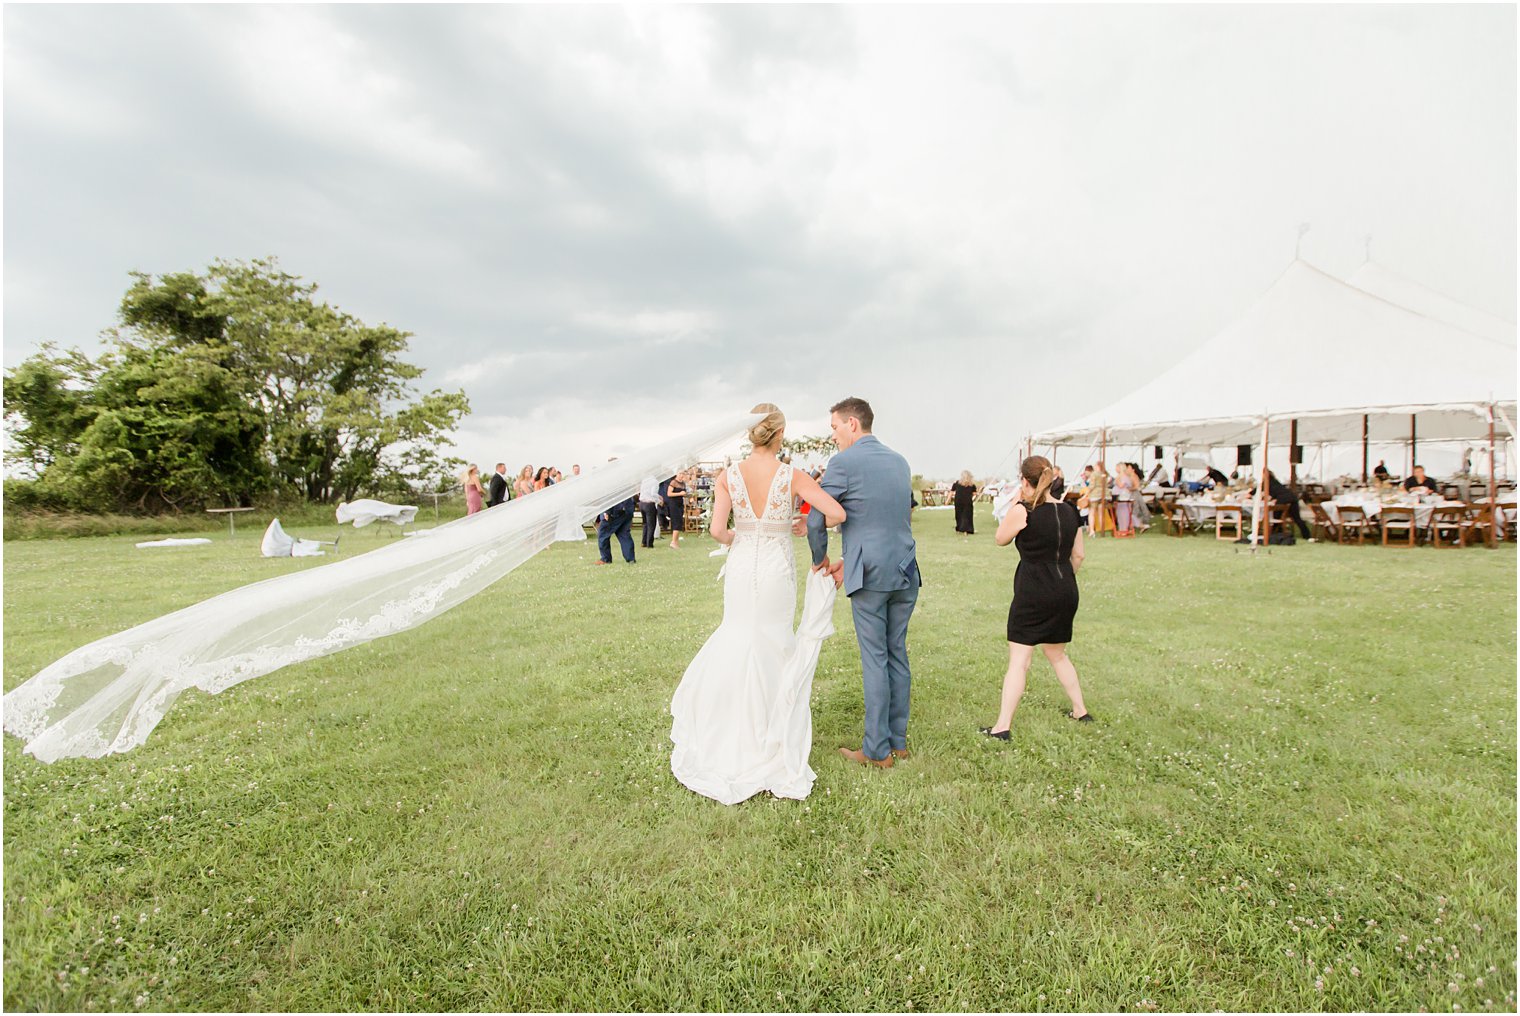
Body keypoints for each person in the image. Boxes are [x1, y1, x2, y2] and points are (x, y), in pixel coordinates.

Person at [670, 404, 846, 804]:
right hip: (775, 570)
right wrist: (799, 525)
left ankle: (725, 732)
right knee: (772, 641)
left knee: (737, 635)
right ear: (780, 434)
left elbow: (717, 530)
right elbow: (835, 513)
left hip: (741, 566)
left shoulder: (727, 476)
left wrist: (743, 539)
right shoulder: (793, 476)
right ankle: (769, 733)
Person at [804, 397, 921, 769]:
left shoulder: (844, 463)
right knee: (896, 653)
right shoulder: (900, 462)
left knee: (876, 659)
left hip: (870, 577)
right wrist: (846, 560)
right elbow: (884, 519)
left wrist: (820, 558)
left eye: (835, 428)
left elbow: (815, 518)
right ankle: (898, 742)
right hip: (905, 569)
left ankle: (876, 750)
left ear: (852, 424)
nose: (834, 436)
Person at [980, 455, 1090, 740]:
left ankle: (1002, 726)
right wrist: (1063, 578)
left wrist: (1017, 503)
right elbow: (1078, 555)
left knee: (1019, 660)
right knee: (1057, 654)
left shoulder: (1023, 510)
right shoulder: (1070, 511)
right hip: (1066, 588)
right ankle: (1080, 710)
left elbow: (1000, 538)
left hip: (1033, 590)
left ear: (1025, 481)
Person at [596, 490, 637, 565]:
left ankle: (605, 559)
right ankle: (630, 558)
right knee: (624, 534)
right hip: (627, 507)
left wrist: (607, 511)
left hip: (615, 510)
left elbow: (610, 494)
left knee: (603, 533)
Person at [951, 470, 979, 535]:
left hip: (958, 501)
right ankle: (966, 530)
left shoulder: (957, 483)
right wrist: (974, 497)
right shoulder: (972, 485)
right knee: (967, 515)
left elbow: (951, 492)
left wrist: (947, 500)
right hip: (967, 502)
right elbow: (974, 494)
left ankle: (960, 528)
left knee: (959, 515)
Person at [638, 474, 662, 549]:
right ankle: (649, 543)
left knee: (645, 524)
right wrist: (659, 500)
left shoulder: (644, 480)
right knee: (651, 524)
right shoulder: (655, 482)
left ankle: (643, 542)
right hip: (649, 504)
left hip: (641, 503)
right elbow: (653, 494)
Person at [665, 470, 688, 548]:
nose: (682, 475)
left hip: (680, 504)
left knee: (680, 521)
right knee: (676, 522)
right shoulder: (673, 482)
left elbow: (684, 493)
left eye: (683, 474)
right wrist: (680, 494)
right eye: (680, 474)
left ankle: (675, 541)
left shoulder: (683, 483)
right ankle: (673, 542)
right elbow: (669, 494)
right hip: (673, 504)